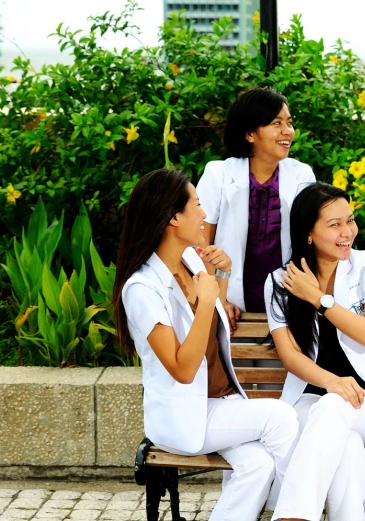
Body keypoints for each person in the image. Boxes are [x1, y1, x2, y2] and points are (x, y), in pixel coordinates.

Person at [112, 168, 299, 521]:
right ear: (172, 217)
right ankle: (293, 515)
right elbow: (183, 369)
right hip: (186, 415)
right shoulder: (141, 289)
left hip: (219, 402)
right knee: (282, 417)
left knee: (256, 466)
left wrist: (221, 278)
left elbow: (215, 322)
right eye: (196, 205)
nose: (204, 213)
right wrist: (205, 299)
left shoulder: (192, 260)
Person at [264, 182, 365, 521]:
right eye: (334, 225)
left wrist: (319, 299)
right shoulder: (279, 281)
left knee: (334, 406)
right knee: (344, 448)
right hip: (310, 401)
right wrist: (333, 382)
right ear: (308, 233)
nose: (348, 232)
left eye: (350, 220)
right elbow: (291, 357)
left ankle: (293, 517)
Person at [196, 86, 316, 329]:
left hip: (286, 306)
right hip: (231, 307)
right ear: (250, 133)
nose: (287, 131)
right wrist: (219, 298)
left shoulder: (302, 174)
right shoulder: (218, 174)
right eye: (276, 123)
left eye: (289, 123)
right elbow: (199, 245)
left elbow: (314, 242)